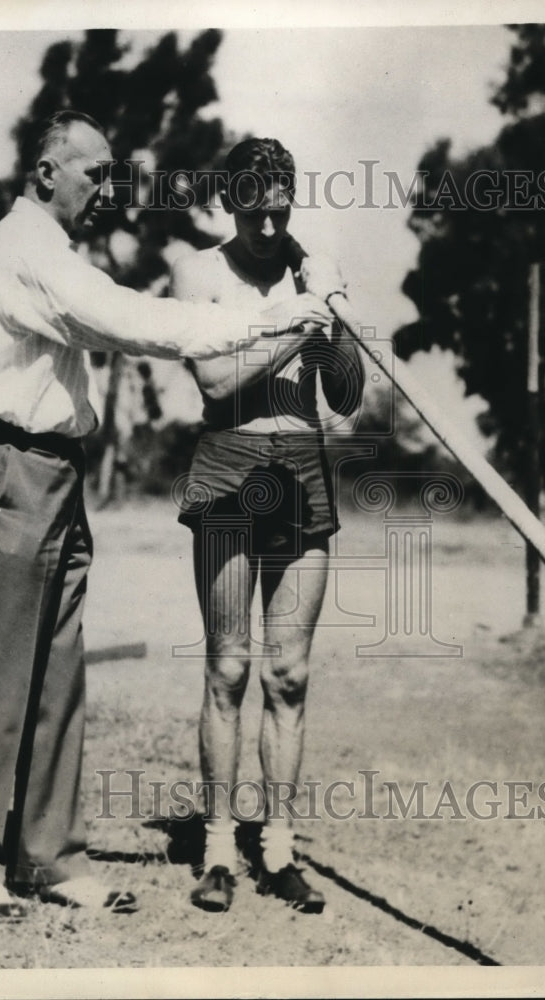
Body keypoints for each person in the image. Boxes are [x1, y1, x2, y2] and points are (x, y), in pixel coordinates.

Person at [0, 111, 334, 922]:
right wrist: (275, 318)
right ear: (48, 171)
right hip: (6, 467)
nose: (106, 190)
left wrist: (301, 316)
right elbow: (130, 321)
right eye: (94, 173)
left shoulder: (56, 249)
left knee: (57, 679)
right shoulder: (27, 247)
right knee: (1, 679)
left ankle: (52, 858)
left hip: (54, 472)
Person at [171, 137, 365, 913]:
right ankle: (219, 848)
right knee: (228, 669)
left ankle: (278, 849)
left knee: (289, 675)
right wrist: (297, 322)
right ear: (231, 200)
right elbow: (216, 380)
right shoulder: (198, 274)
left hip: (303, 473)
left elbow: (345, 397)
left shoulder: (311, 271)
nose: (270, 217)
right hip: (227, 468)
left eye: (282, 202)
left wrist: (338, 318)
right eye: (255, 204)